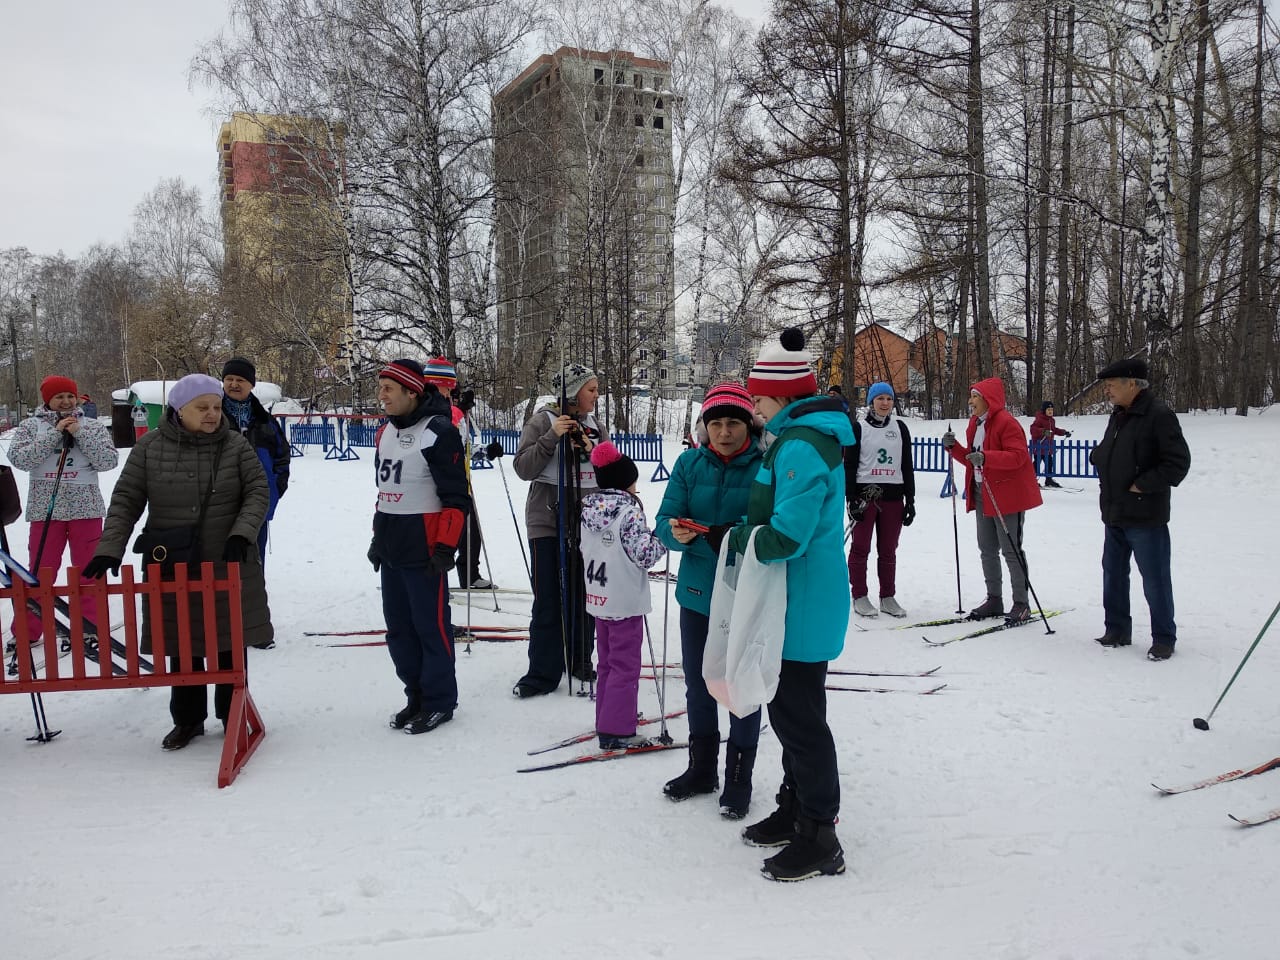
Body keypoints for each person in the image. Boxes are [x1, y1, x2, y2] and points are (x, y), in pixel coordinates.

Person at [714, 328, 853, 882]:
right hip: (795, 602)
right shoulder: (798, 437)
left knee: (800, 721)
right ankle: (796, 808)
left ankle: (821, 834)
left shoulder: (800, 444)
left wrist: (741, 538)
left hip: (802, 605)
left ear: (786, 397)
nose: (755, 410)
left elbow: (788, 536)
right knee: (789, 711)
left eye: (761, 400)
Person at [83, 374, 274, 751]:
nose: (211, 415)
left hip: (226, 560)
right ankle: (187, 720)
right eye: (202, 408)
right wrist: (110, 548)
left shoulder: (235, 445)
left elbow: (257, 491)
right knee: (182, 644)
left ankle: (230, 712)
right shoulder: (150, 447)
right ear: (179, 409)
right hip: (172, 561)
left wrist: (242, 532)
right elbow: (126, 501)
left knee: (227, 642)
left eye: (216, 407)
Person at [655, 381, 764, 819]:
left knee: (740, 685)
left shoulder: (764, 465)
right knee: (699, 682)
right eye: (715, 423)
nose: (723, 432)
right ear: (704, 427)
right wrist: (675, 534)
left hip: (745, 594)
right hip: (698, 593)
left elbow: (765, 525)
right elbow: (664, 519)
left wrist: (730, 539)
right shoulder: (687, 464)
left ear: (747, 426)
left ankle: (739, 778)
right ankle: (701, 769)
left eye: (732, 423)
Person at [367, 359, 472, 733]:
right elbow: (385, 493)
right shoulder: (385, 433)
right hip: (394, 546)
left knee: (432, 628)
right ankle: (416, 696)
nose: (381, 396)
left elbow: (457, 499)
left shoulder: (438, 431)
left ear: (412, 392)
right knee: (398, 630)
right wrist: (377, 539)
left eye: (388, 389)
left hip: (426, 549)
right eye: (380, 388)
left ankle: (440, 700)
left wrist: (446, 548)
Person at [511, 363, 605, 698]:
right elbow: (523, 467)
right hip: (547, 519)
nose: (596, 396)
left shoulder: (594, 425)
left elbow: (610, 468)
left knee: (585, 596)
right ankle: (541, 672)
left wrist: (593, 450)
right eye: (591, 390)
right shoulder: (542, 420)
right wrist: (552, 438)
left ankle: (579, 659)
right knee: (549, 597)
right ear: (573, 392)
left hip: (588, 521)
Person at [6, 376, 118, 652]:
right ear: (48, 400)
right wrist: (55, 434)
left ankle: (89, 626)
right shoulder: (31, 427)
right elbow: (19, 459)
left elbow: (108, 460)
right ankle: (28, 630)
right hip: (46, 509)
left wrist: (79, 433)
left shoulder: (91, 426)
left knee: (87, 570)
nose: (66, 402)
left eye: (70, 396)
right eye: (59, 397)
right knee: (41, 570)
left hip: (86, 508)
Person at [1089, 358, 1191, 661]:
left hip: (1145, 516)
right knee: (1113, 573)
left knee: (1155, 577)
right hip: (1115, 512)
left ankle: (1163, 637)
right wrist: (1100, 457)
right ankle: (1117, 629)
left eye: (1111, 384)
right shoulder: (1119, 415)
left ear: (1132, 383)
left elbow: (1177, 463)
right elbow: (1115, 449)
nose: (1107, 389)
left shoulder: (1159, 415)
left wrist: (1143, 485)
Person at [579, 441, 667, 748]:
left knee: (607, 662)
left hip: (599, 599)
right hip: (624, 601)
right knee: (625, 665)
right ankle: (616, 729)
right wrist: (664, 536)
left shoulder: (589, 509)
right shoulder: (628, 512)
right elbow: (644, 554)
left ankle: (610, 714)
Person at [942, 378, 1043, 623]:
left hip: (1007, 495)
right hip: (982, 491)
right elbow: (971, 458)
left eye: (975, 397)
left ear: (989, 399)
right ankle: (994, 598)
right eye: (971, 396)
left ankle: (1021, 603)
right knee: (987, 548)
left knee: (1011, 549)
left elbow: (1018, 457)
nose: (971, 402)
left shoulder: (1007, 423)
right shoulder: (975, 423)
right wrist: (953, 448)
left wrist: (986, 458)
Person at [846, 382, 916, 618]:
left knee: (888, 550)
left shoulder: (900, 428)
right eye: (880, 399)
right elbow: (850, 465)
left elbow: (907, 464)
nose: (885, 403)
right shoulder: (860, 428)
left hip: (893, 496)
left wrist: (911, 499)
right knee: (860, 548)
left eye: (889, 399)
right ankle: (860, 595)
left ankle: (887, 596)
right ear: (871, 402)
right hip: (866, 496)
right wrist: (851, 498)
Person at [421, 356, 492, 591]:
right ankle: (435, 583)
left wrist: (486, 452)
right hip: (436, 488)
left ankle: (470, 575)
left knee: (471, 536)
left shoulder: (452, 413)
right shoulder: (428, 410)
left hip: (460, 486)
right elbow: (441, 429)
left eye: (452, 389)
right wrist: (459, 409)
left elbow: (461, 450)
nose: (450, 393)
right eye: (447, 388)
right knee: (443, 538)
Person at [221, 358, 291, 582]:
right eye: (229, 379)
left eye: (240, 380)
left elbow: (282, 458)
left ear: (251, 385)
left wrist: (274, 489)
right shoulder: (212, 417)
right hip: (219, 505)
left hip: (257, 505)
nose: (233, 384)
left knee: (253, 562)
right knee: (219, 564)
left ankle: (251, 607)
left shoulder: (265, 422)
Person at [1030, 401, 1072, 488]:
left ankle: (1048, 480)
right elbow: (1033, 430)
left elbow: (1054, 430)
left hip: (1048, 448)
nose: (1050, 411)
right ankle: (1032, 480)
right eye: (1048, 410)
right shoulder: (1039, 419)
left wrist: (1064, 432)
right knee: (1037, 464)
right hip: (1039, 447)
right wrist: (1044, 432)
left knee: (1049, 463)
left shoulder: (1052, 420)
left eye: (1051, 410)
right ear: (1044, 410)